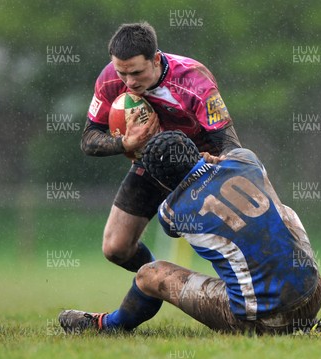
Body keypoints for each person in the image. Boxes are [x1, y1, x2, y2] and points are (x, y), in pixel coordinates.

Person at [60, 131, 321, 336]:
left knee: (151, 274)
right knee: (282, 212)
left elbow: (180, 212)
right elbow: (225, 164)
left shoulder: (172, 212)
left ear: (162, 181)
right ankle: (303, 325)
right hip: (314, 290)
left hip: (263, 318)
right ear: (196, 152)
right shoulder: (245, 160)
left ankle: (107, 326)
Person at [81, 22, 240, 274]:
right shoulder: (110, 78)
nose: (129, 82)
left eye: (136, 72)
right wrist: (125, 143)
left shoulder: (194, 80)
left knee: (234, 245)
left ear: (155, 59)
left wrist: (213, 162)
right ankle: (162, 282)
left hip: (200, 169)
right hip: (151, 164)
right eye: (122, 73)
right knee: (116, 247)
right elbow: (89, 139)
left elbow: (231, 146)